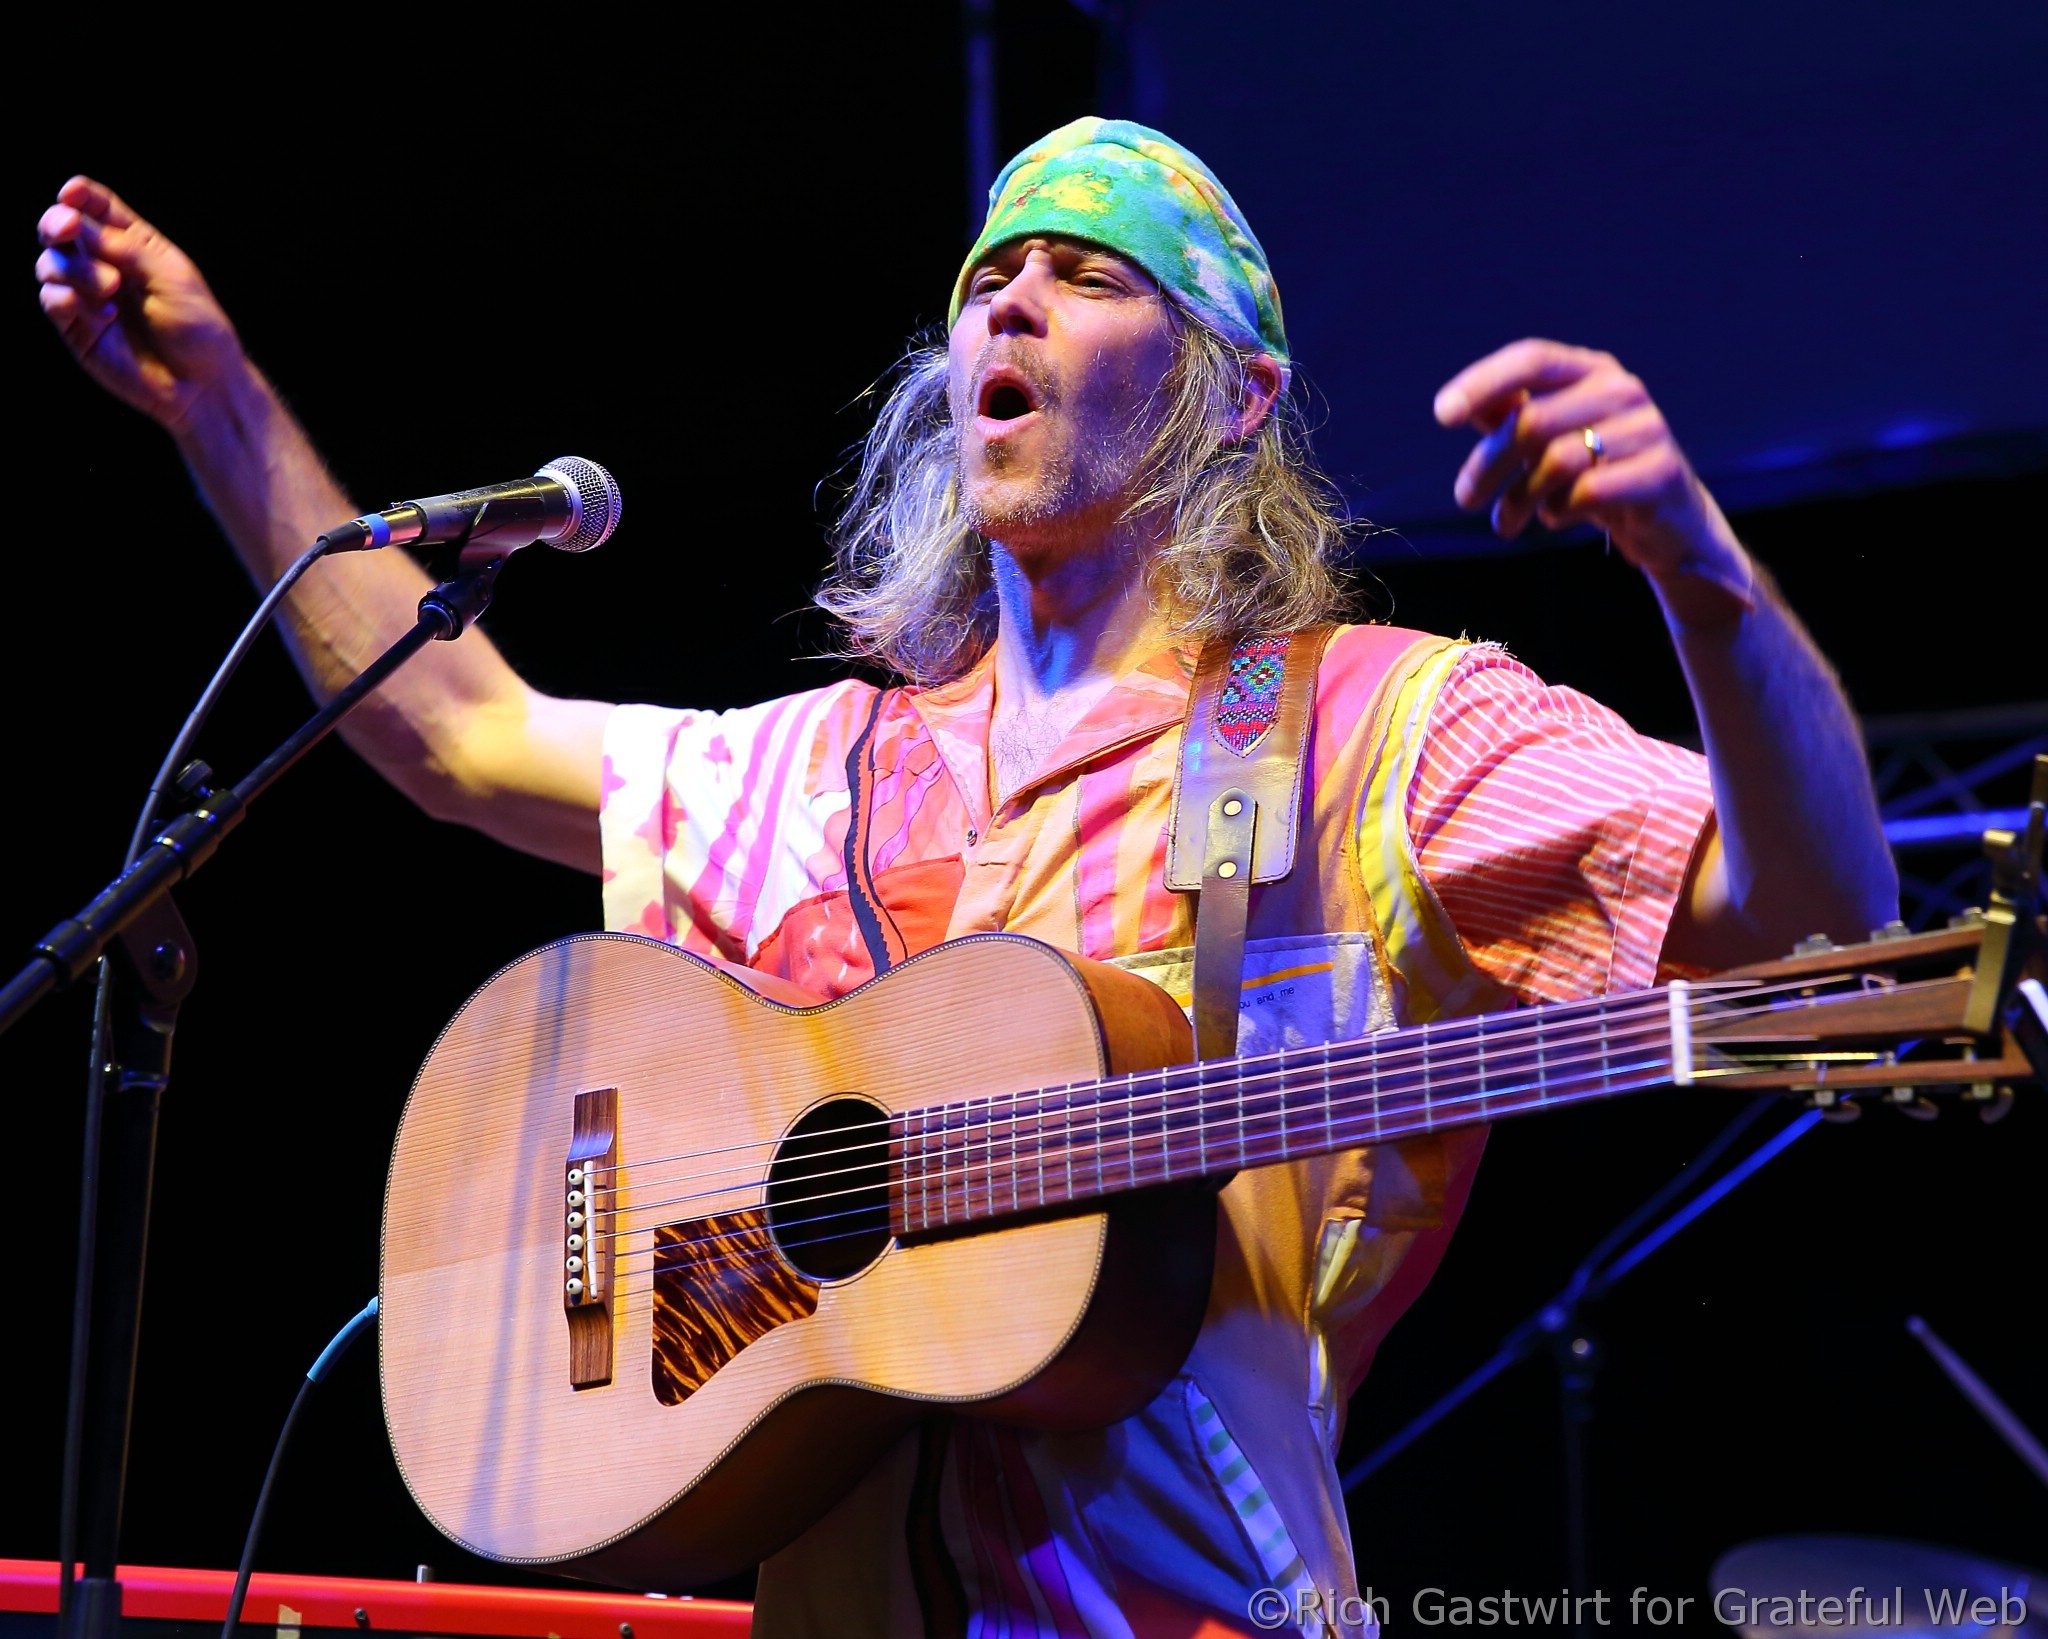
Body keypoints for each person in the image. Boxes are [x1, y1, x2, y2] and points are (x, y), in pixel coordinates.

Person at [37, 119, 1894, 1639]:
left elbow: (1820, 939)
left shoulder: (1375, 732)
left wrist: (1701, 574)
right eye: (990, 275)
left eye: (1088, 274)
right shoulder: (816, 768)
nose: (1012, 296)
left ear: (1233, 397)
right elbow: (455, 732)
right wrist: (218, 402)